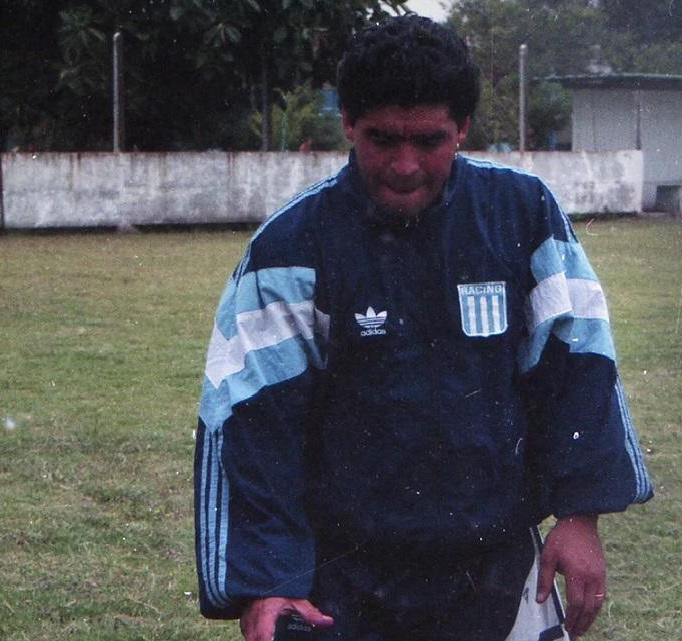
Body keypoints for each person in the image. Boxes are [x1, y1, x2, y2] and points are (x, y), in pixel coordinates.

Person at [194, 15, 652, 641]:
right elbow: (249, 418)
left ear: (462, 127)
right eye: (382, 138)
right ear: (348, 124)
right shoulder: (291, 248)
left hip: (498, 568)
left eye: (430, 140)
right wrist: (268, 577)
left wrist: (580, 516)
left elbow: (580, 363)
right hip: (344, 582)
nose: (405, 165)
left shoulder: (523, 215)